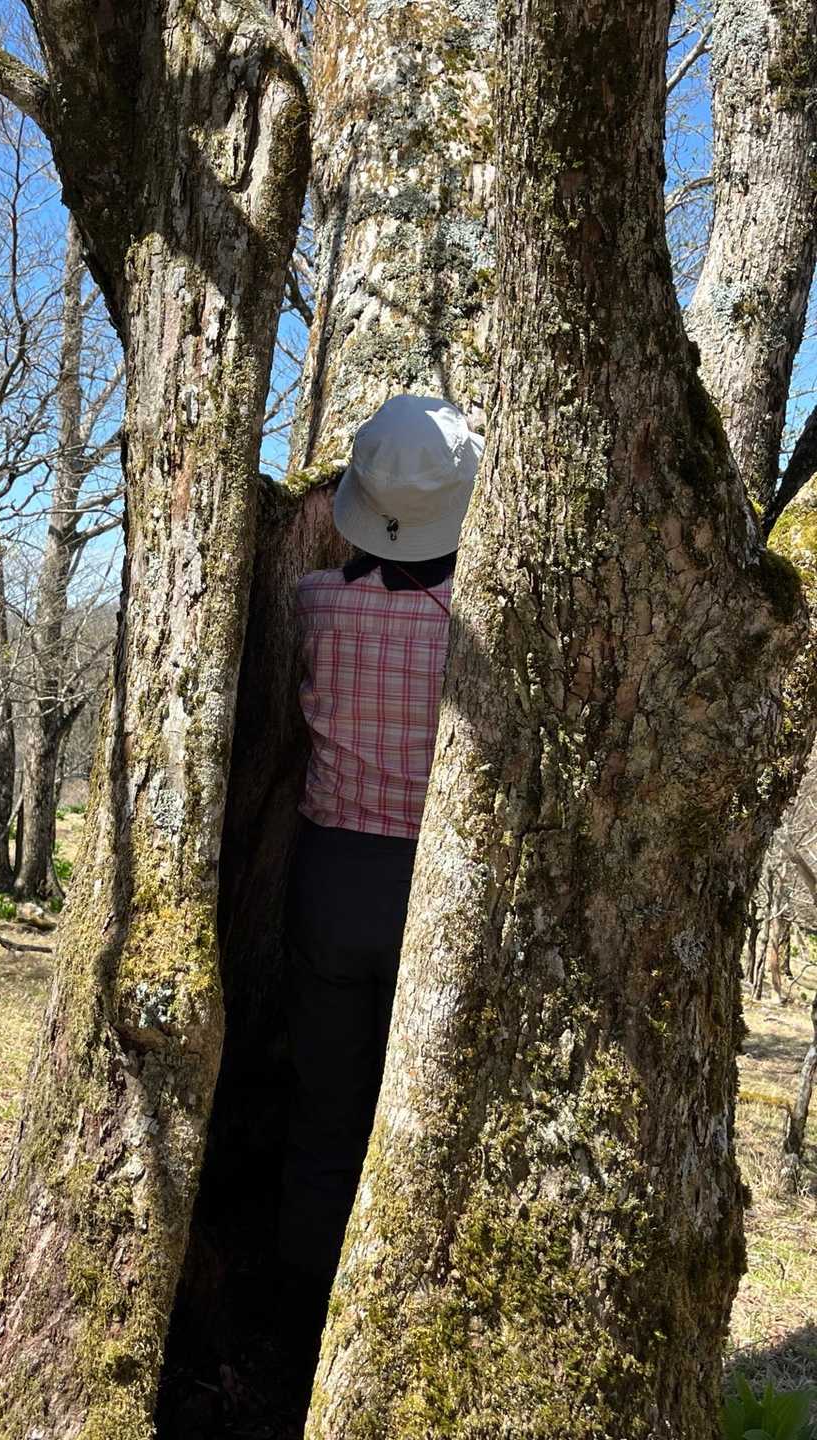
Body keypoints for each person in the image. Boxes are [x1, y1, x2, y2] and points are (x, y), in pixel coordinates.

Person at [277, 393, 484, 1341]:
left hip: (329, 877)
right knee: (415, 1118)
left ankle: (298, 1317)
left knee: (323, 1107)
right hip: (432, 889)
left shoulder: (314, 602)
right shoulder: (468, 631)